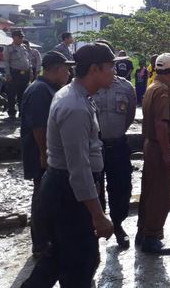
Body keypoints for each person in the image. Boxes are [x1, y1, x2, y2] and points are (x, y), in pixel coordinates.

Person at [21, 43, 115, 288]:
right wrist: (97, 214)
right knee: (79, 264)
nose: (114, 73)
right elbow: (79, 169)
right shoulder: (74, 105)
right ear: (95, 69)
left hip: (65, 187)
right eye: (110, 68)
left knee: (57, 258)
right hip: (69, 192)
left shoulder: (76, 96)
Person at [20, 51, 74, 258]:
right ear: (57, 69)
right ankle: (41, 243)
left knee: (48, 197)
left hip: (46, 153)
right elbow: (39, 127)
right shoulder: (40, 91)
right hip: (41, 154)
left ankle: (47, 238)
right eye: (66, 69)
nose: (69, 73)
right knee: (42, 198)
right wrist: (45, 154)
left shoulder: (49, 88)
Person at [136, 53, 170, 255]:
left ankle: (143, 231)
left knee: (148, 190)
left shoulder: (151, 87)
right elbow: (161, 125)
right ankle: (152, 236)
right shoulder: (163, 92)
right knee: (160, 194)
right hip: (159, 145)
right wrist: (166, 152)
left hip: (151, 144)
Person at [93, 64, 136, 248]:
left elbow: (130, 115)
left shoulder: (126, 87)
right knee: (94, 187)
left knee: (121, 187)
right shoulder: (89, 87)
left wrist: (117, 133)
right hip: (95, 145)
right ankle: (96, 224)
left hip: (118, 144)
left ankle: (118, 224)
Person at [5, 30, 32, 119]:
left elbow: (29, 60)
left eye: (22, 37)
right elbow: (6, 62)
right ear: (14, 37)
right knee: (12, 94)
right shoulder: (8, 48)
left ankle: (22, 112)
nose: (21, 39)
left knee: (23, 94)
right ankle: (12, 112)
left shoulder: (24, 47)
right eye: (19, 37)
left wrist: (30, 72)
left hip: (25, 74)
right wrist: (8, 74)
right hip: (14, 74)